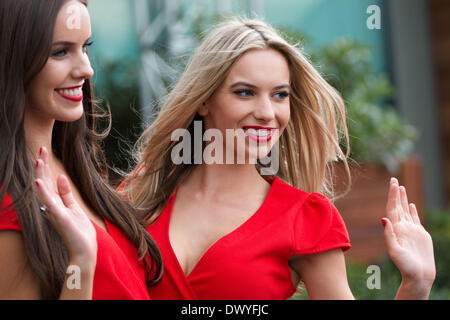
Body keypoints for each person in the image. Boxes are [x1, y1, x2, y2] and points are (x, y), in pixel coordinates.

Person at [121, 18, 436, 299]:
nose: (266, 113)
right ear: (204, 99)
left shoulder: (306, 218)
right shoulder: (141, 193)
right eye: (245, 92)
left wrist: (416, 285)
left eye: (280, 95)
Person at [0, 0, 162, 299]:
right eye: (61, 52)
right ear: (14, 57)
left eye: (85, 47)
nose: (86, 69)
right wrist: (82, 262)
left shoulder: (75, 167)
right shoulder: (9, 208)